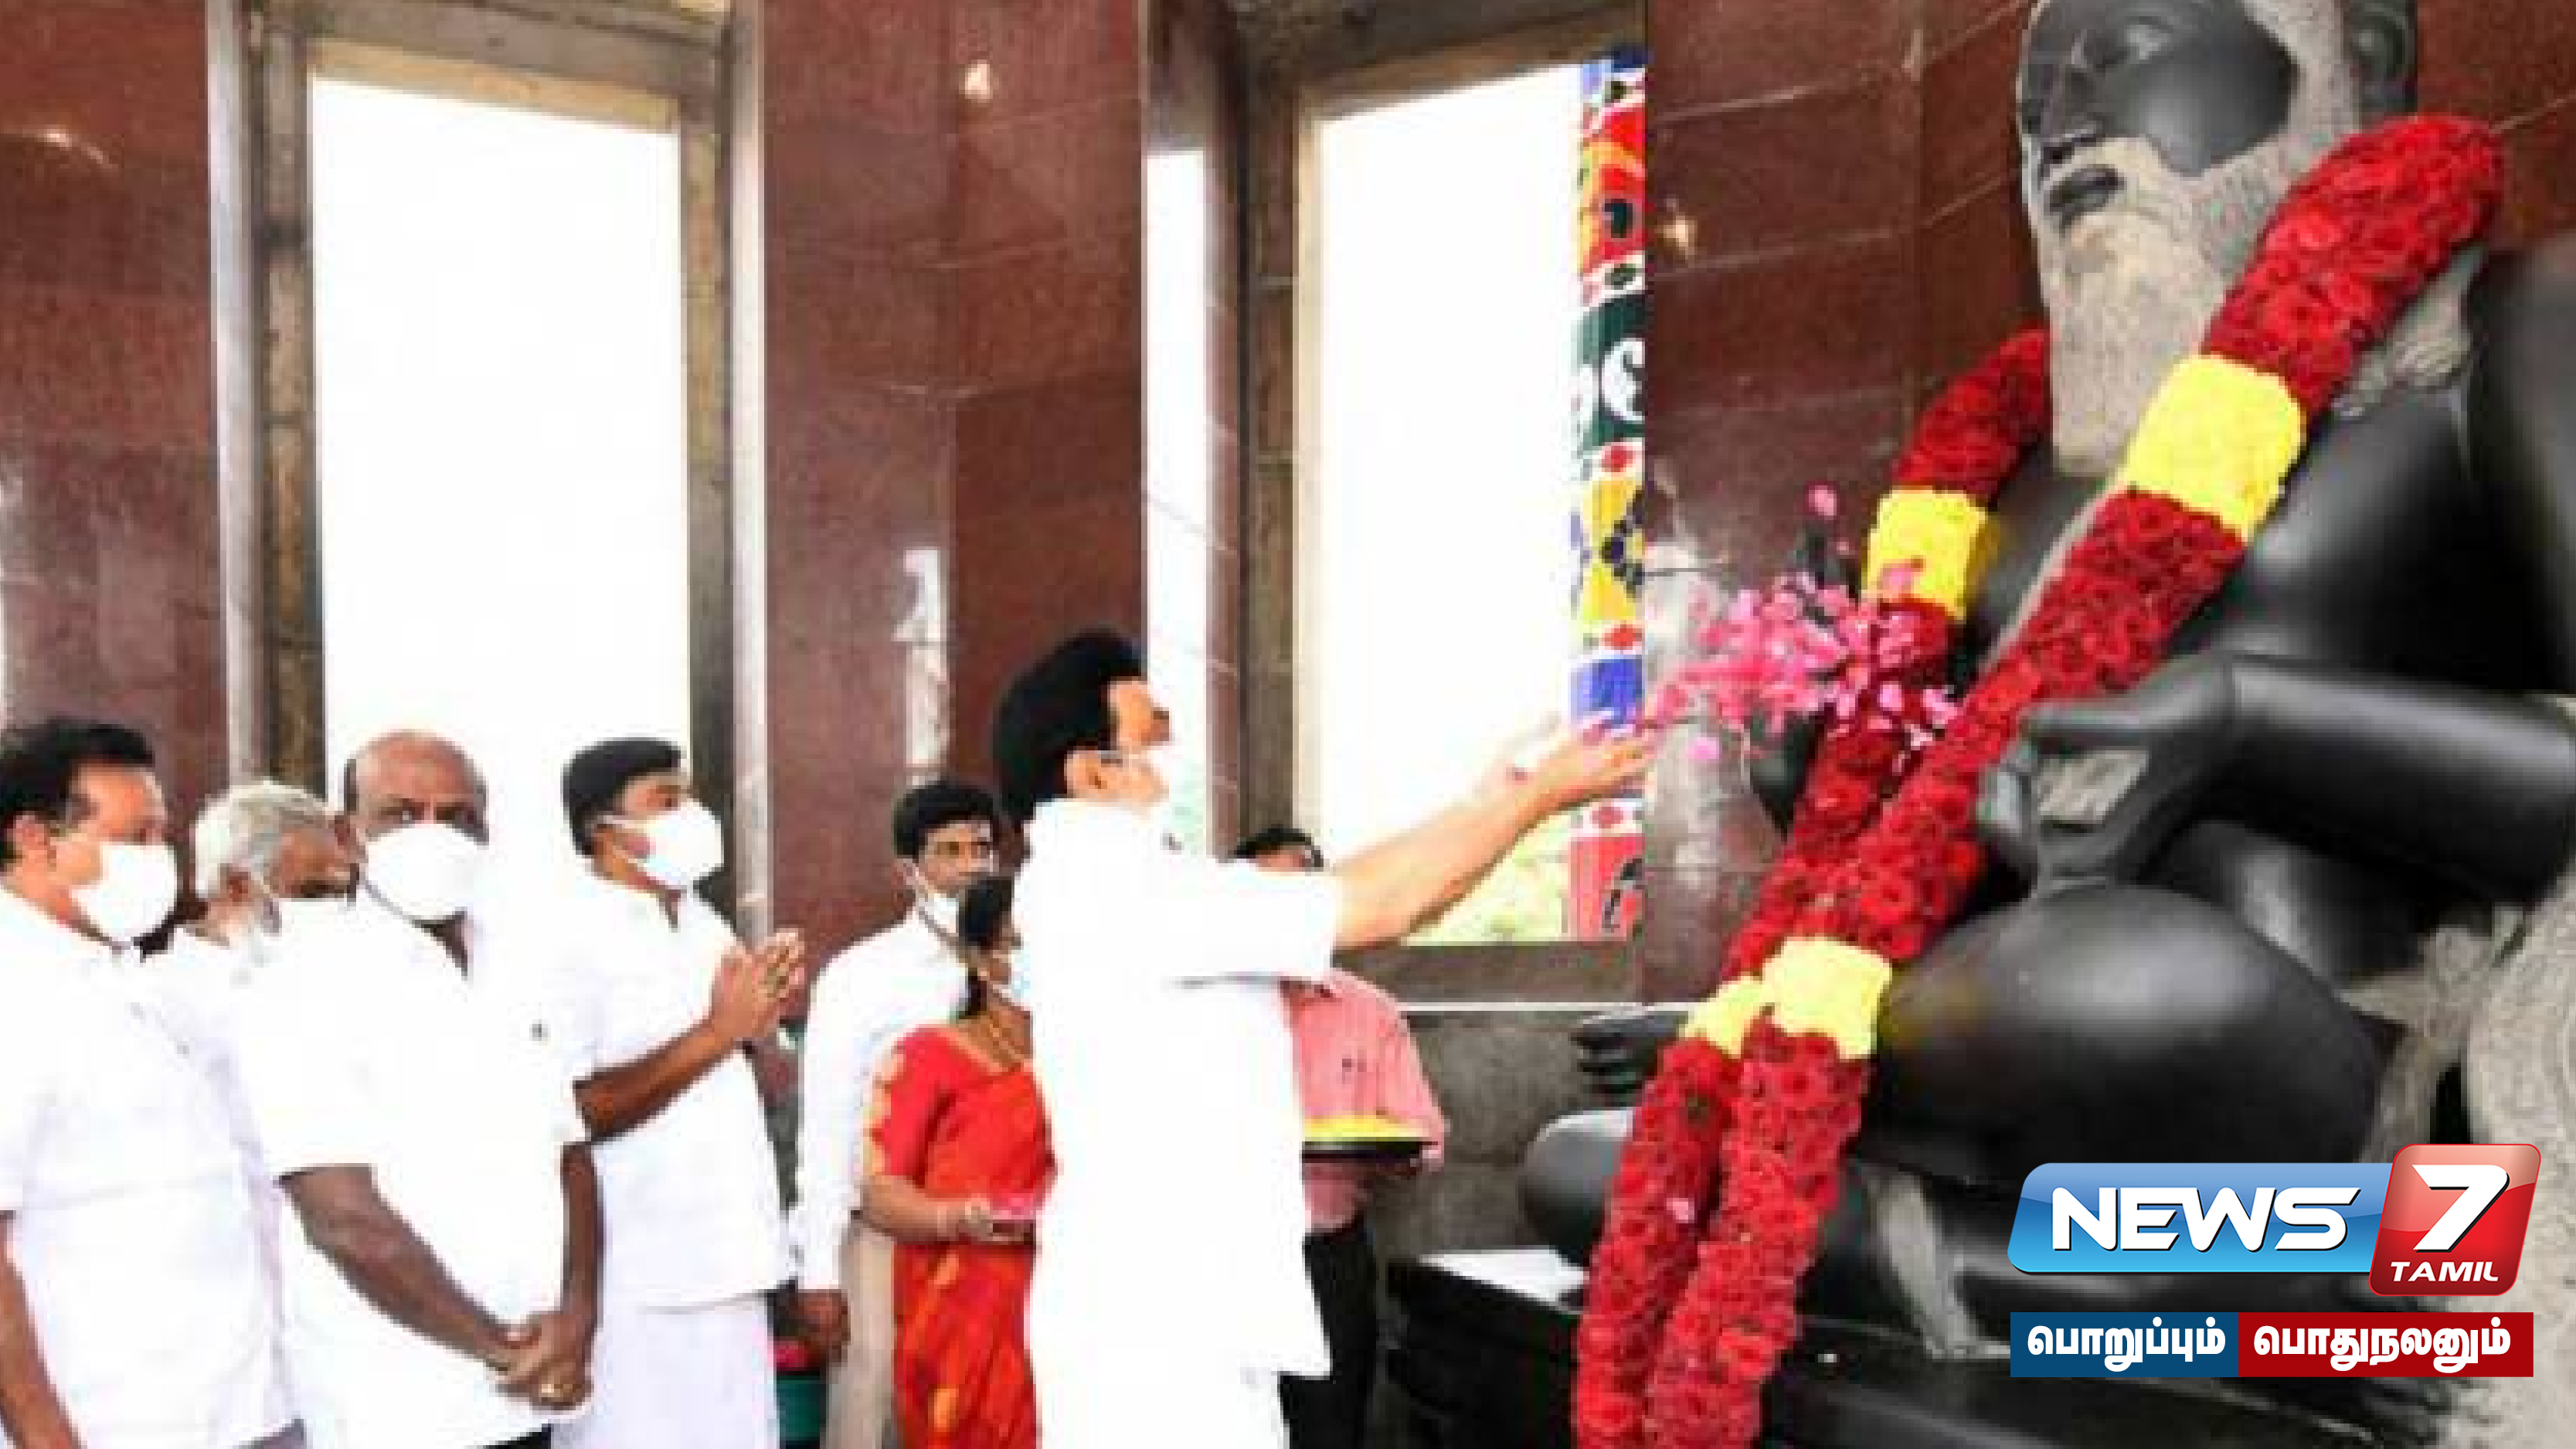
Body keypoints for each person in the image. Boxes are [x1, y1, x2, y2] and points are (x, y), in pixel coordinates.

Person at [1542, 0, 2576, 1427]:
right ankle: (2157, 1300)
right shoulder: (2016, 475)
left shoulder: (2497, 334)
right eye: (2030, 109)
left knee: (2130, 977)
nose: (2062, 130)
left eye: (2122, 51)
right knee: (1592, 1173)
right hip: (2049, 1105)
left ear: (2362, 64)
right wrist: (1813, 782)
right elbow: (1975, 854)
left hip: (2342, 1095)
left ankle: (2196, 1273)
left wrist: (2241, 720)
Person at [995, 629, 1650, 1447]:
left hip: (1181, 1304)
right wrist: (1537, 800)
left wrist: (1486, 806)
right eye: (1150, 741)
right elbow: (1381, 904)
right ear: (1091, 771)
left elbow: (1361, 893)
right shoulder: (1113, 887)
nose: (1167, 768)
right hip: (1157, 1319)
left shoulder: (1121, 880)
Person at [236, 731, 601, 1449]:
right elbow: (342, 1216)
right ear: (349, 834)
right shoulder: (303, 983)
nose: (433, 835)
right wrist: (499, 1349)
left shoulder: (515, 965)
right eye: (401, 814)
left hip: (537, 1381)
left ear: (485, 833)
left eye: (457, 816)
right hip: (399, 1396)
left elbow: (569, 1154)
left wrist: (578, 1315)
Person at [0, 718, 293, 1449]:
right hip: (114, 1418)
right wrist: (47, 1438)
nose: (159, 859)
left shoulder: (117, 974)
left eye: (163, 835)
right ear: (35, 838)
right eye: (135, 837)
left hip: (235, 1404)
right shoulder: (16, 994)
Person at [528, 740, 804, 1449]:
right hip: (634, 1275)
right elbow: (567, 1113)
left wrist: (762, 1027)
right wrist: (718, 1033)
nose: (694, 816)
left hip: (731, 1257)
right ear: (605, 829)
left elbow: (749, 1071)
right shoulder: (564, 933)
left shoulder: (704, 921)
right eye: (668, 800)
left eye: (691, 797)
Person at [790, 778, 1003, 1449]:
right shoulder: (864, 975)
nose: (972, 866)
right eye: (950, 851)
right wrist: (819, 1270)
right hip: (884, 1232)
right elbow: (827, 1126)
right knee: (873, 1409)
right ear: (909, 870)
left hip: (999, 1232)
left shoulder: (1030, 967)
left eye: (982, 848)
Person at [1236, 828, 1448, 1449]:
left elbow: (1423, 1135)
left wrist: (1395, 1153)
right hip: (1227, 1253)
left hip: (1327, 1256)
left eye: (1296, 897)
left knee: (1328, 1428)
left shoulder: (1370, 1011)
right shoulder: (1207, 1009)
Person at [155, 780, 357, 1390]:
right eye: (312, 892)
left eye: (341, 892)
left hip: (340, 1320)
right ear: (236, 885)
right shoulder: (159, 1003)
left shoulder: (343, 990)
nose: (332, 909)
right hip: (214, 1333)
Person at [859, 874, 1049, 1449]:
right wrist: (959, 1218)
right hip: (963, 1314)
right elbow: (880, 1194)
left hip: (1072, 1306)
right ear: (978, 959)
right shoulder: (928, 1056)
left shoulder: (1091, 1059)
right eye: (1021, 942)